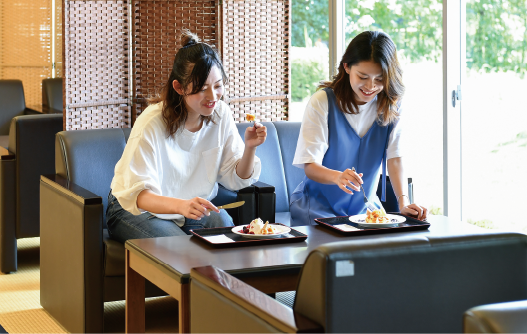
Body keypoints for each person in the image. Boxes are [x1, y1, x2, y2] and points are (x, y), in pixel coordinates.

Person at [106, 31, 267, 242]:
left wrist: (250, 147)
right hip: (135, 209)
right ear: (179, 87)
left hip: (188, 209)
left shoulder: (220, 114)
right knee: (180, 248)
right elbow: (139, 195)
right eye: (202, 89)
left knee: (226, 228)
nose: (212, 97)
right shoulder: (152, 121)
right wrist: (182, 206)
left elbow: (236, 178)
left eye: (218, 86)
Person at [290, 31, 427, 226]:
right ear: (346, 67)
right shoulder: (322, 101)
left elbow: (394, 158)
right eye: (363, 76)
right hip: (318, 209)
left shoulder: (391, 105)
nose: (370, 86)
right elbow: (310, 166)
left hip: (366, 209)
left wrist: (404, 203)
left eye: (380, 79)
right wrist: (338, 177)